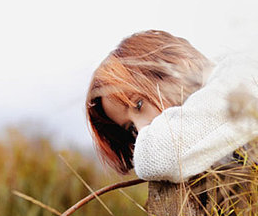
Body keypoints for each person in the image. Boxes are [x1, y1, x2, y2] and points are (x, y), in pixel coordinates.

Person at [85, 30, 258, 183]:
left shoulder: (243, 74)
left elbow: (158, 156)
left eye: (139, 104)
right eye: (131, 128)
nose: (141, 129)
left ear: (179, 65)